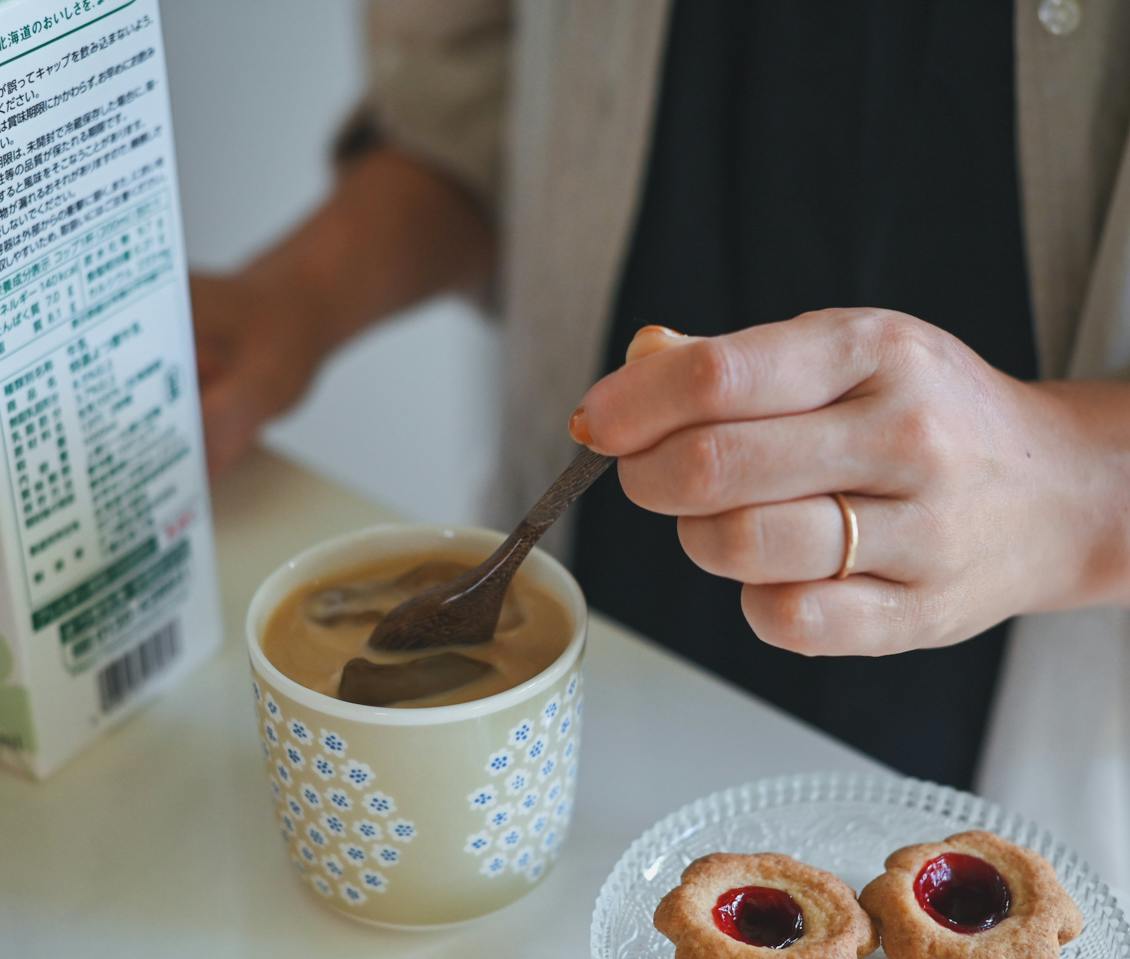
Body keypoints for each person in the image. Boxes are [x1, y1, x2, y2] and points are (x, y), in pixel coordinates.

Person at [193, 1, 1130, 886]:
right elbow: (475, 111)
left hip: (1024, 724)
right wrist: (297, 299)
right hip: (598, 651)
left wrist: (1084, 493)